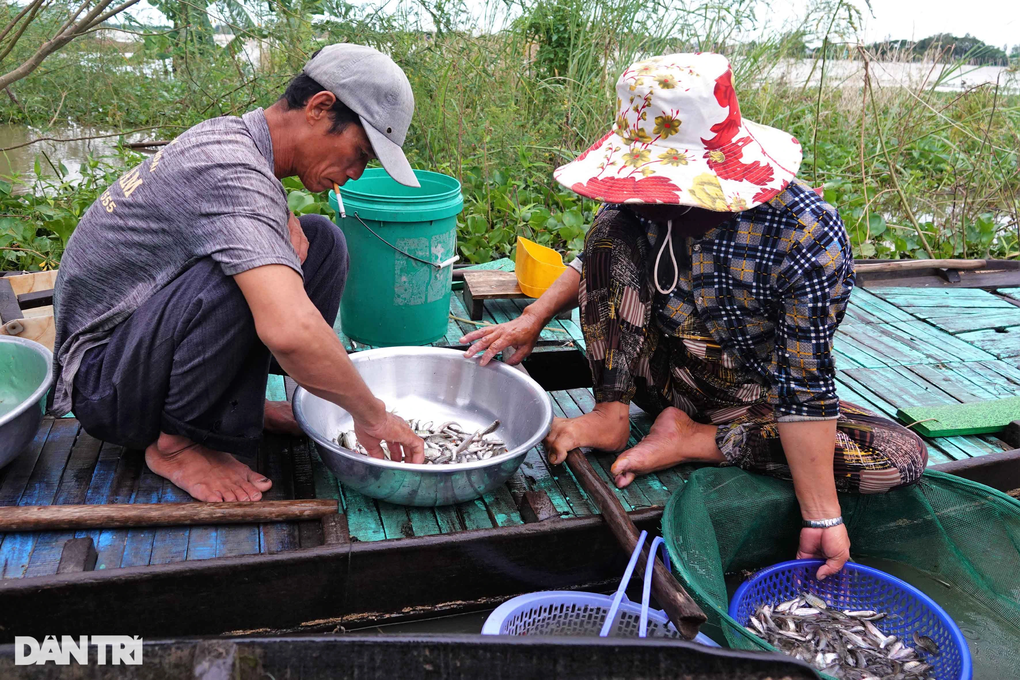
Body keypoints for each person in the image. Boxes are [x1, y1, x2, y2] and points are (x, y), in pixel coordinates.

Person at [461, 53, 927, 579]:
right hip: (656, 373)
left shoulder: (805, 236)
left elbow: (804, 382)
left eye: (661, 188)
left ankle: (691, 440)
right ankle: (611, 413)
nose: (642, 200)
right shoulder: (636, 210)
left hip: (749, 406)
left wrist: (822, 515)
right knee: (609, 229)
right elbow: (593, 264)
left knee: (899, 456)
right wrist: (534, 316)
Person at [51, 44, 425, 503]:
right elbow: (289, 331)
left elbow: (236, 205)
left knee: (320, 240)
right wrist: (374, 416)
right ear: (319, 107)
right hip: (106, 385)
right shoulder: (230, 171)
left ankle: (237, 405)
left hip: (139, 349)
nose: (356, 173)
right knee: (246, 274)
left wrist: (280, 210)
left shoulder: (232, 138)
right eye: (360, 153)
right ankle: (175, 446)